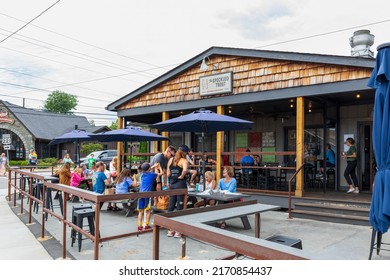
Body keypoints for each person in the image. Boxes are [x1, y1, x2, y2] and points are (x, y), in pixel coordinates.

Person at [166, 149, 188, 238]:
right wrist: (181, 176)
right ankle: (178, 230)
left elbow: (167, 173)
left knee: (171, 207)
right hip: (180, 184)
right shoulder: (184, 161)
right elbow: (185, 170)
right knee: (179, 207)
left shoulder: (171, 160)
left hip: (172, 183)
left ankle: (170, 229)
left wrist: (170, 179)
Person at [137, 162, 162, 231]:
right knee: (147, 210)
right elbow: (161, 173)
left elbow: (148, 169)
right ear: (149, 169)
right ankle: (146, 225)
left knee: (140, 211)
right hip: (147, 195)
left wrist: (154, 166)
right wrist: (159, 167)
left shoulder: (141, 174)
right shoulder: (151, 175)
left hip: (140, 194)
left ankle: (139, 226)